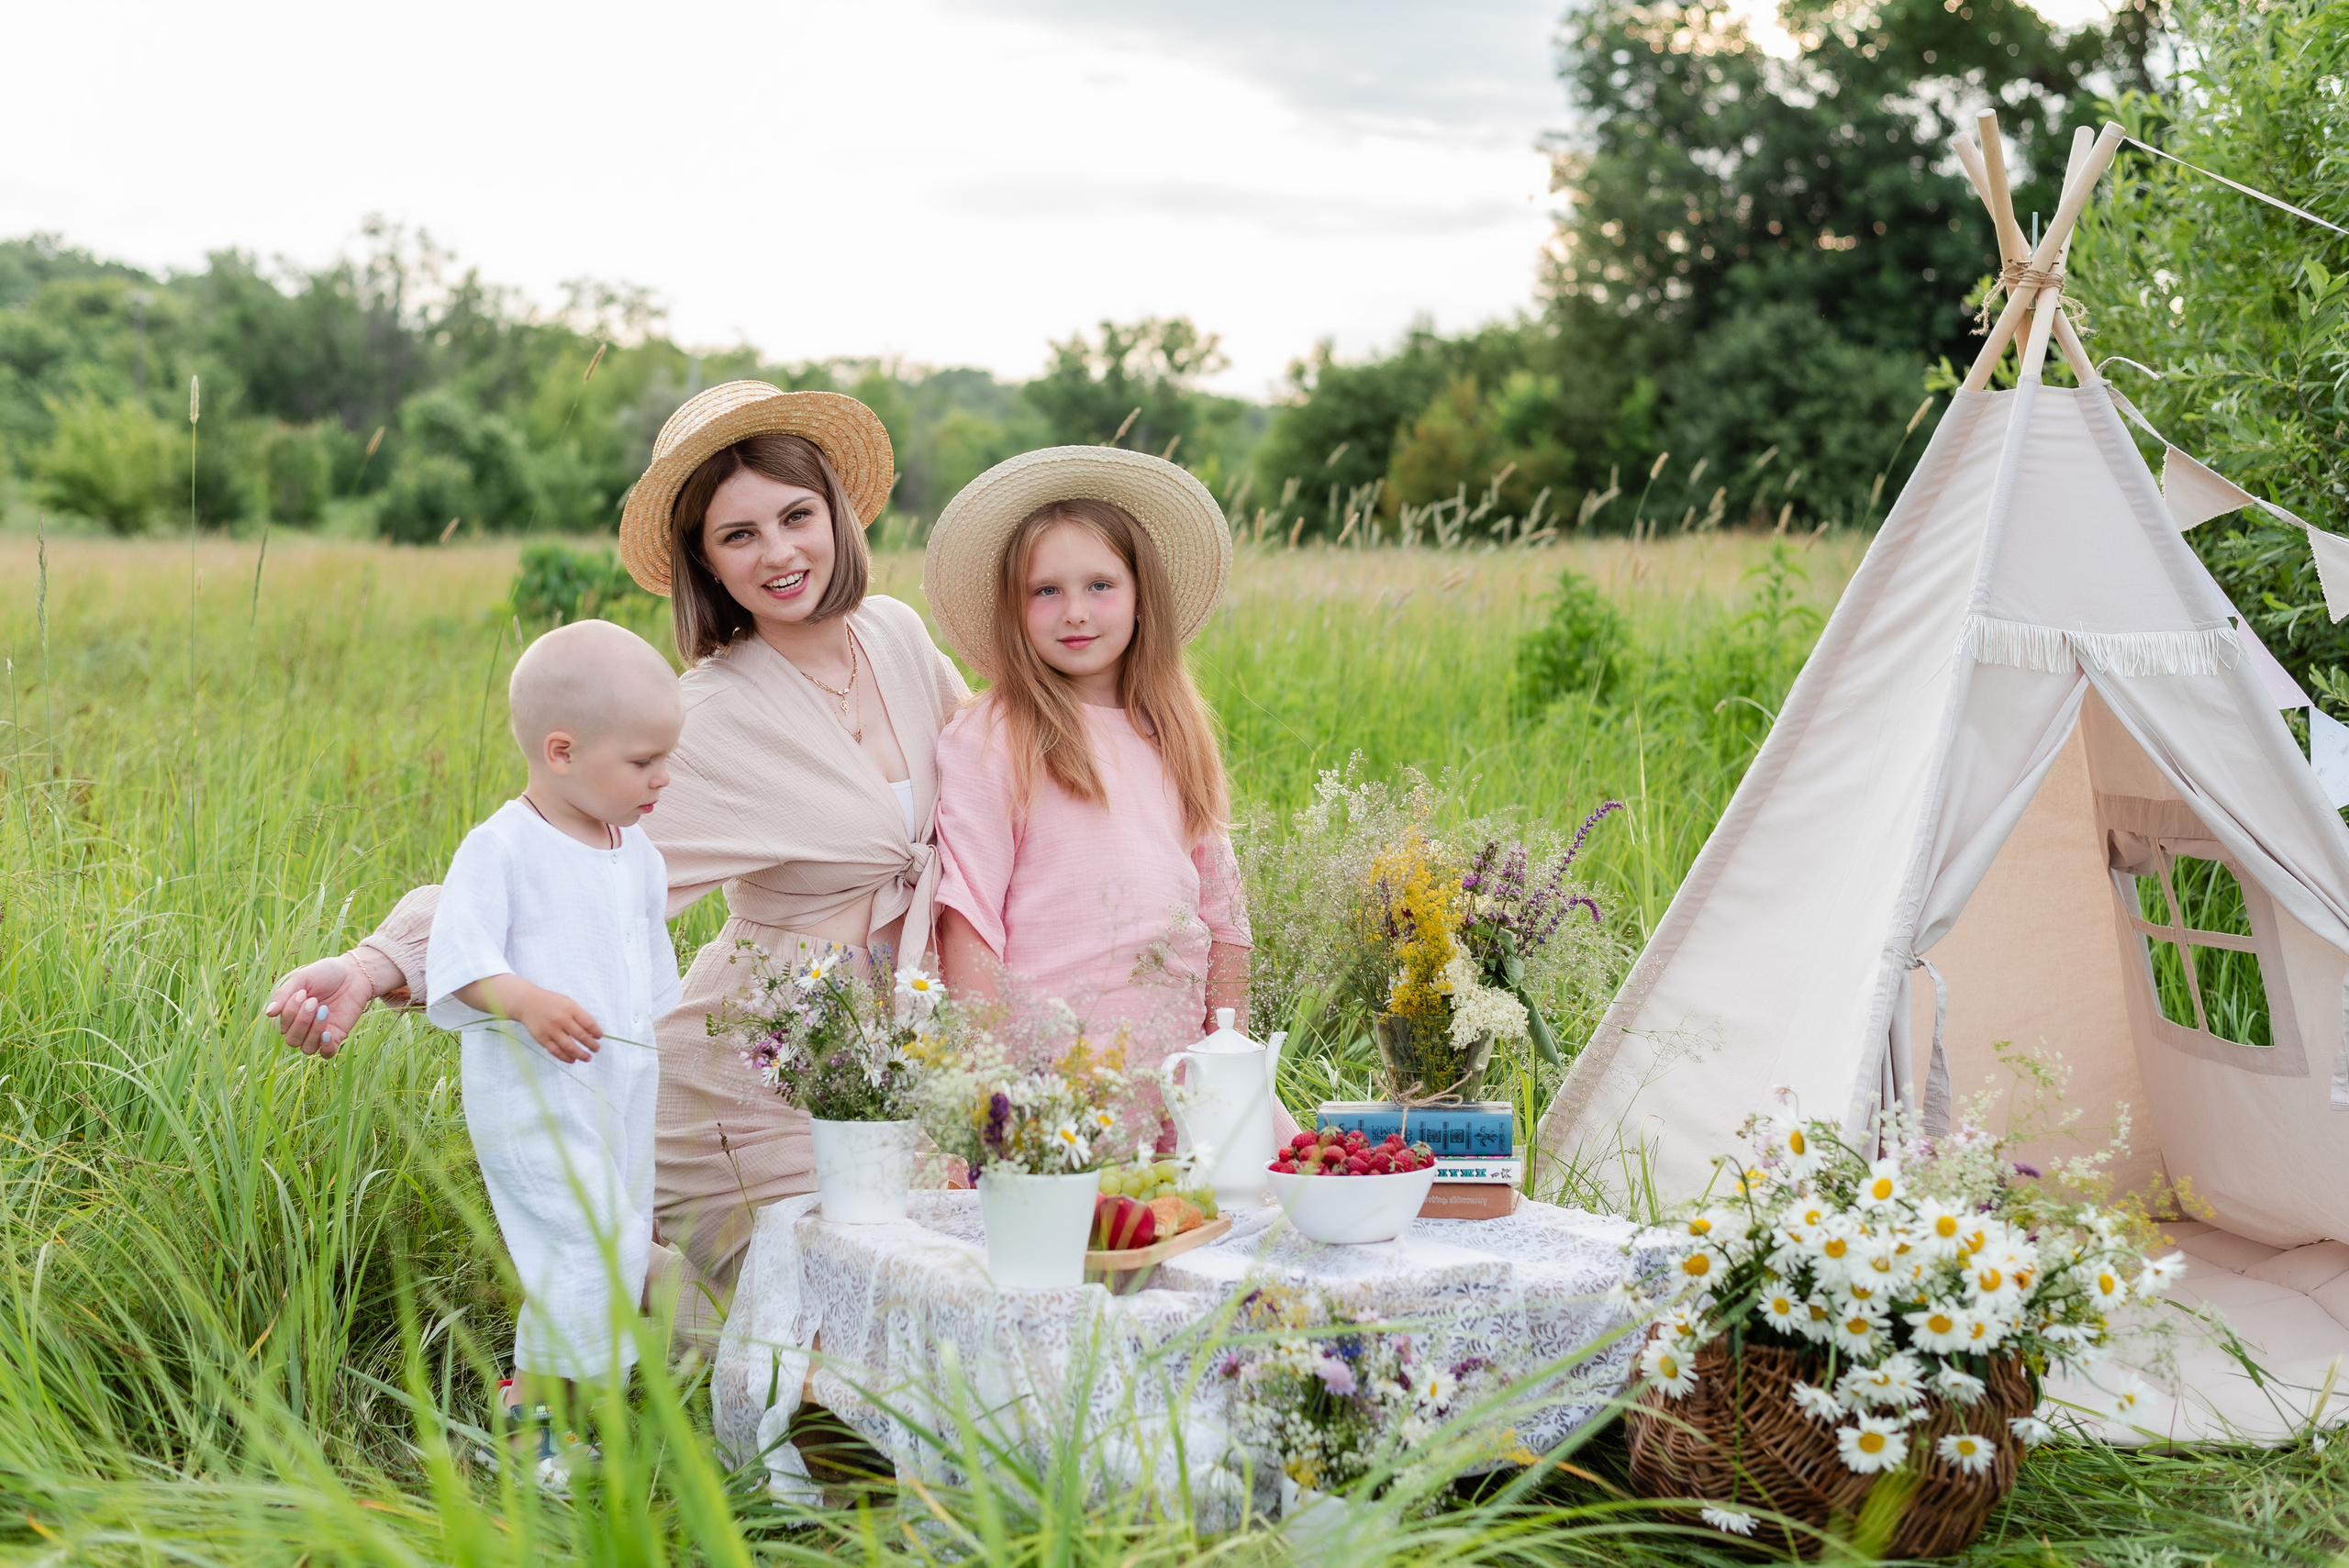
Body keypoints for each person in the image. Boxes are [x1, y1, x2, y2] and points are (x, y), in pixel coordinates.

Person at [263, 382, 965, 1315]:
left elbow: (989, 790)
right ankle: (626, 1294)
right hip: (760, 1079)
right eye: (738, 534)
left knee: (943, 1312)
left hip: (899, 1055)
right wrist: (375, 960)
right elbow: (547, 863)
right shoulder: (709, 714)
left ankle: (635, 1293)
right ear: (704, 561)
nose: (779, 552)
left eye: (797, 515)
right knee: (833, 1344)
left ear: (836, 511)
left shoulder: (897, 635)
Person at [923, 448, 1292, 1142]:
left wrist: (1229, 1056)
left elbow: (1224, 919)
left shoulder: (1172, 730)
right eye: (1045, 591)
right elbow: (968, 918)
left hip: (1184, 1070)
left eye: (1100, 585)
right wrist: (993, 1085)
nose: (1075, 612)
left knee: (1270, 1195)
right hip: (1055, 1076)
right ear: (1013, 608)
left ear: (1142, 595)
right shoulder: (993, 735)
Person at [421, 618, 681, 1488]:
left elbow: (650, 976)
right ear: (562, 751)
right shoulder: (503, 846)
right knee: (586, 1242)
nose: (662, 778)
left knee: (617, 1243)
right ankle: (532, 1422)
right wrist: (524, 999)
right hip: (533, 1096)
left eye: (666, 759)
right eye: (643, 762)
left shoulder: (636, 851)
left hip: (618, 1090)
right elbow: (460, 959)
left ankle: (558, 1411)